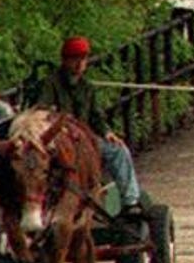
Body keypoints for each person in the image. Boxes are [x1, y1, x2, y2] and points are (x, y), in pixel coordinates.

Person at [46, 36, 143, 214]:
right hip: (59, 139)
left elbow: (96, 116)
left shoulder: (87, 87)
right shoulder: (50, 84)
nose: (80, 64)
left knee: (118, 150)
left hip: (83, 138)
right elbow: (44, 113)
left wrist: (106, 132)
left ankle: (131, 200)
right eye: (75, 59)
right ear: (65, 60)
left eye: (83, 59)